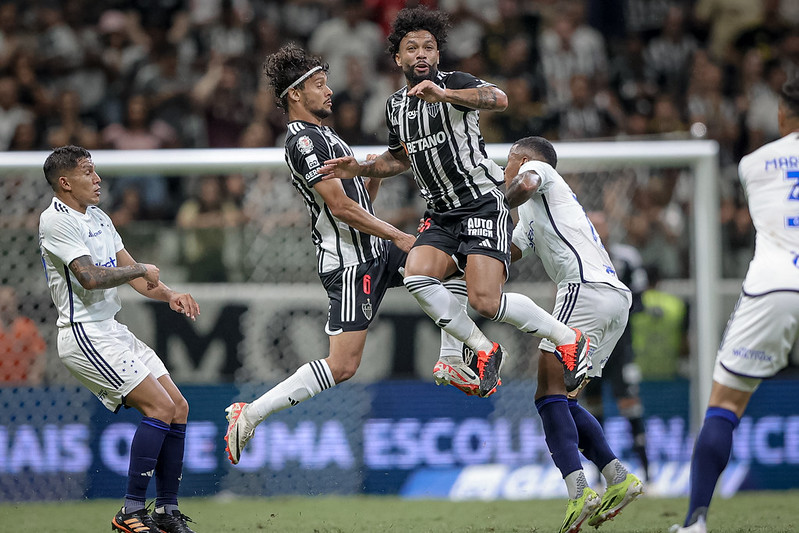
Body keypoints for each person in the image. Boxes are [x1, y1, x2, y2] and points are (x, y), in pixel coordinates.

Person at [320, 6, 589, 398]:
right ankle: (481, 350)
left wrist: (444, 94)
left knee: (485, 300)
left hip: (481, 202)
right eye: (412, 48)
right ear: (398, 58)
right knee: (416, 275)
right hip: (441, 212)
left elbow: (500, 98)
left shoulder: (455, 84)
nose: (422, 54)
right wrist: (357, 168)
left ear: (438, 55)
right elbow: (397, 159)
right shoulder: (396, 107)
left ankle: (568, 339)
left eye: (429, 47)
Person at [222, 43, 467, 465]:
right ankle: (251, 413)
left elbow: (354, 199)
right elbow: (337, 207)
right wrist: (398, 235)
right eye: (319, 84)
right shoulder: (302, 142)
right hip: (351, 264)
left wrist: (374, 182)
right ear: (295, 94)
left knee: (454, 264)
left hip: (376, 251)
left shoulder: (327, 134)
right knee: (343, 366)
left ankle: (451, 359)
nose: (329, 91)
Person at [38, 145, 200, 533]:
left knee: (178, 407)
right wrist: (143, 268)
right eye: (88, 172)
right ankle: (129, 511)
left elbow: (135, 276)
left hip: (111, 329)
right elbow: (90, 277)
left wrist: (170, 293)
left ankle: (165, 511)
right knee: (159, 408)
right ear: (65, 182)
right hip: (84, 334)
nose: (98, 179)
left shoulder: (98, 217)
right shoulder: (55, 220)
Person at [669, 78, 799, 533]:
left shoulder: (752, 163)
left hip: (775, 286)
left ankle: (696, 521)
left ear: (783, 113)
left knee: (723, 405)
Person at [504, 137, 644, 533]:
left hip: (583, 288)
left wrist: (495, 201)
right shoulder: (532, 215)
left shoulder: (541, 174)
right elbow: (508, 252)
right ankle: (618, 478)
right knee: (562, 399)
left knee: (547, 395)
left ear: (525, 160)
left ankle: (579, 490)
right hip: (613, 299)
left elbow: (523, 185)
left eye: (509, 161)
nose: (505, 169)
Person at [584, 211, 650, 482]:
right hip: (591, 345)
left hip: (621, 345)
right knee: (593, 408)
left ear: (609, 229)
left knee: (630, 405)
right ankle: (598, 477)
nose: (599, 231)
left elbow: (641, 298)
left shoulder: (626, 258)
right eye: (593, 226)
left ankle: (648, 472)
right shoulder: (577, 258)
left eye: (602, 225)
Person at [0, 285, 47, 384]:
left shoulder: (27, 326)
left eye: (9, 304)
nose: (6, 308)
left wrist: (34, 377)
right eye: (3, 305)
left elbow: (39, 355)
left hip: (22, 385)